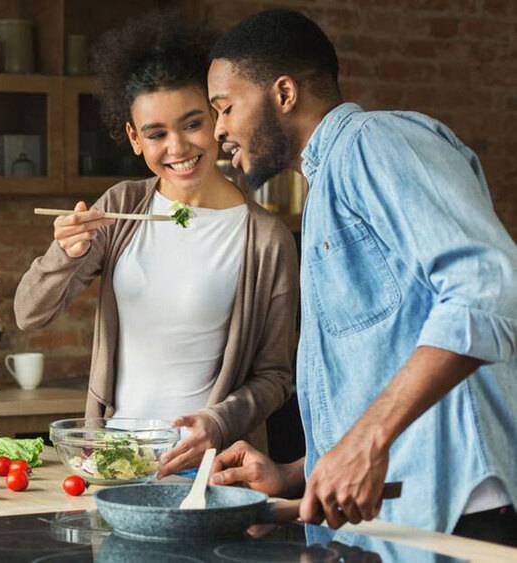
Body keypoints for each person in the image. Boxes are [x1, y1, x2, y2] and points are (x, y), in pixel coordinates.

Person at [205, 9, 517, 545]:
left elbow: (488, 289)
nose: (219, 131)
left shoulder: (373, 142)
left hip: (461, 513)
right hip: (402, 516)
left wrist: (364, 443)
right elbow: (381, 370)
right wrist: (295, 473)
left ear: (283, 93)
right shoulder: (326, 188)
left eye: (225, 107)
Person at [14, 13, 299, 476]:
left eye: (192, 124)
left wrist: (217, 421)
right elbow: (30, 314)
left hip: (206, 464)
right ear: (134, 138)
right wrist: (65, 255)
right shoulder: (119, 207)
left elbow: (276, 377)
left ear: (216, 120)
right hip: (112, 457)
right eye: (156, 134)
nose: (178, 148)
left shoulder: (265, 239)